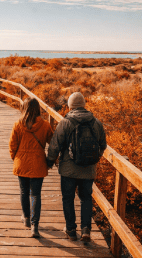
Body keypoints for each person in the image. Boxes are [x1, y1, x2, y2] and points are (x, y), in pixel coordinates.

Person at [47, 92, 106, 242]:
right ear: (84, 104)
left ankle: (71, 230)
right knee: (86, 199)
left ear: (70, 106)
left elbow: (55, 145)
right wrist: (94, 159)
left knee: (68, 199)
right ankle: (86, 230)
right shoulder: (96, 123)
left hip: (68, 169)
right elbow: (103, 145)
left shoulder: (65, 123)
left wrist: (50, 161)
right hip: (88, 170)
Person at [9, 98, 53, 238]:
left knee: (24, 192)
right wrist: (50, 160)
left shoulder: (18, 125)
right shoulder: (45, 125)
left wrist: (16, 159)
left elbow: (12, 146)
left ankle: (26, 218)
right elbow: (53, 144)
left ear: (24, 108)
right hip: (38, 163)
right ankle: (35, 226)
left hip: (22, 162)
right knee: (35, 194)